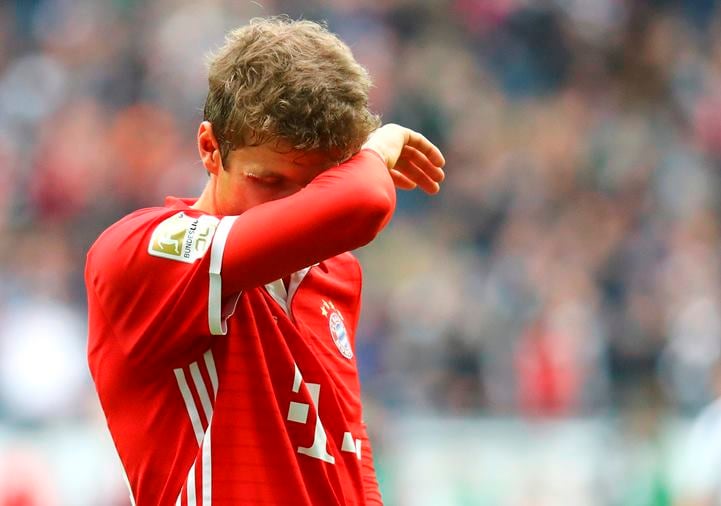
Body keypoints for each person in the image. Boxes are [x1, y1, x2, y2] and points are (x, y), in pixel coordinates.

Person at [85, 16, 445, 506]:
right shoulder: (142, 255)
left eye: (316, 185)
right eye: (270, 182)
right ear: (210, 148)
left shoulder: (336, 274)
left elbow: (348, 452)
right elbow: (363, 202)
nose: (294, 207)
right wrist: (377, 151)